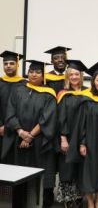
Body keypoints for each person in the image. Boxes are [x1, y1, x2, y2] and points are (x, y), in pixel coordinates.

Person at [2, 60, 57, 208]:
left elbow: (47, 118)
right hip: (17, 139)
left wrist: (30, 136)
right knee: (18, 174)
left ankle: (37, 203)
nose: (34, 74)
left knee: (37, 176)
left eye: (38, 72)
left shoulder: (49, 94)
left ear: (43, 75)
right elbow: (10, 112)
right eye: (31, 71)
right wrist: (20, 131)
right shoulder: (19, 90)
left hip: (38, 142)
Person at [67, 61, 98, 208]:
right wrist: (82, 142)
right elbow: (82, 124)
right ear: (93, 81)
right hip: (90, 142)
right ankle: (90, 203)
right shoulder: (86, 99)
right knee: (87, 173)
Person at [56, 60, 88, 208]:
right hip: (68, 137)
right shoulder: (63, 94)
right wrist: (63, 139)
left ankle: (80, 196)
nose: (74, 77)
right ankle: (68, 198)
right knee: (66, 167)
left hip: (84, 137)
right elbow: (60, 117)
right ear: (67, 77)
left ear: (81, 75)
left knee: (81, 168)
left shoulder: (89, 92)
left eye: (76, 74)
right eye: (71, 74)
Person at [0, 51, 25, 163]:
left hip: (18, 130)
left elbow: (27, 108)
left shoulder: (25, 84)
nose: (8, 66)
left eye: (11, 63)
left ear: (17, 65)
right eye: (5, 64)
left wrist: (17, 127)